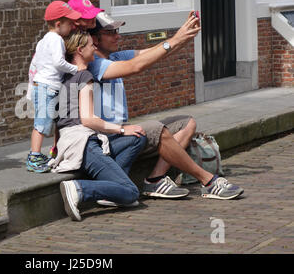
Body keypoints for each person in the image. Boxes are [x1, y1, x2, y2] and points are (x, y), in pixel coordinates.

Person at [87, 11, 244, 200]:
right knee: (156, 129)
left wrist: (183, 36)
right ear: (95, 39)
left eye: (117, 31)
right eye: (111, 32)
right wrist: (175, 39)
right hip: (108, 137)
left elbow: (154, 54)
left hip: (125, 133)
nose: (117, 36)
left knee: (187, 123)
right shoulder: (94, 64)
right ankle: (209, 181)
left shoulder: (115, 57)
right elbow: (136, 66)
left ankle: (155, 180)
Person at [49, 31, 148, 221]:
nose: (95, 47)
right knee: (131, 192)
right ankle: (80, 189)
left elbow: (58, 122)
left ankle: (111, 191)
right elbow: (88, 120)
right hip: (83, 142)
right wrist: (121, 129)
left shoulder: (63, 76)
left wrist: (56, 149)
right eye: (90, 45)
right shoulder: (84, 76)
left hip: (74, 140)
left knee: (137, 137)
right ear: (79, 50)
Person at [26, 1, 82, 173]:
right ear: (59, 24)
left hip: (41, 85)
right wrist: (75, 68)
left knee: (44, 122)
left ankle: (36, 154)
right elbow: (58, 63)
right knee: (42, 124)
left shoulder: (44, 40)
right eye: (70, 23)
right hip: (47, 86)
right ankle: (34, 157)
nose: (73, 27)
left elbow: (36, 63)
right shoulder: (57, 40)